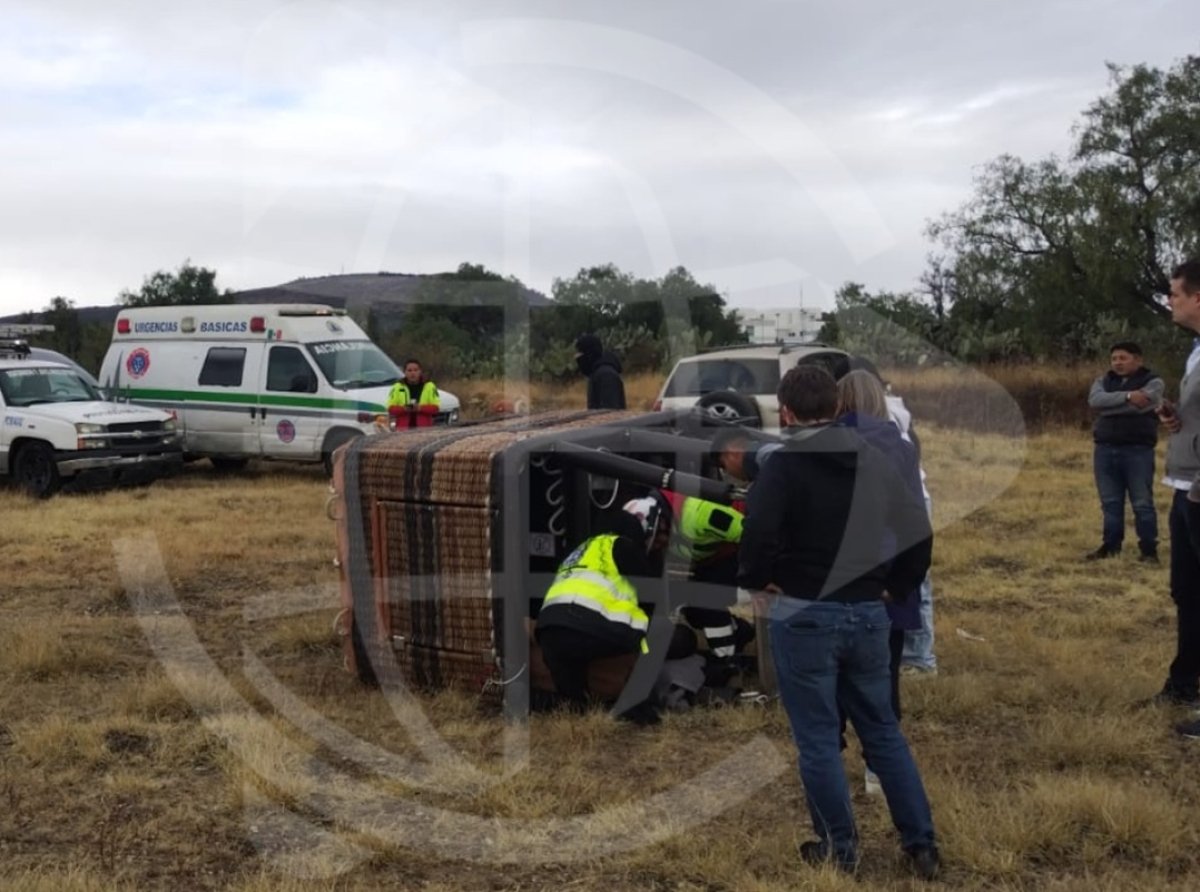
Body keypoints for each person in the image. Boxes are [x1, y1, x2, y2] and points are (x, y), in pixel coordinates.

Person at [738, 363, 938, 878]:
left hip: (804, 613)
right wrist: (901, 585)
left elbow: (757, 530)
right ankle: (921, 844)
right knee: (884, 732)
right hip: (870, 612)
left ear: (785, 412)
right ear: (836, 407)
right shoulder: (875, 458)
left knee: (819, 739)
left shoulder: (782, 467)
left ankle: (839, 849)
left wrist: (759, 579)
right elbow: (917, 526)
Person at [835, 369, 925, 794]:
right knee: (884, 673)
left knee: (829, 670)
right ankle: (878, 768)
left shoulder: (830, 440)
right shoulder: (902, 445)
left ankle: (829, 755)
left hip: (842, 570)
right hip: (890, 568)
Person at [535, 493, 671, 724]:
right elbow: (653, 598)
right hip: (595, 630)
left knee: (574, 697)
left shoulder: (577, 551)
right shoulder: (622, 545)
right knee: (656, 628)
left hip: (549, 632)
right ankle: (639, 704)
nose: (661, 542)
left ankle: (574, 704)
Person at [1152, 261, 1200, 735]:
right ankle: (1184, 682)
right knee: (1187, 592)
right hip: (1185, 487)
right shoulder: (1194, 352)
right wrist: (1174, 416)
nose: (1170, 301)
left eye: (1174, 293)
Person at [1086, 341, 1163, 562]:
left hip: (1137, 450)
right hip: (1105, 449)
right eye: (1114, 359)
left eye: (1123, 358)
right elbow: (1095, 401)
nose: (1117, 363)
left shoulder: (1153, 382)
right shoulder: (1103, 380)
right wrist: (1128, 397)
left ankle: (1149, 550)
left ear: (1138, 360)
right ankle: (1111, 546)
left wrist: (1110, 406)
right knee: (1110, 502)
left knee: (1142, 502)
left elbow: (1149, 404)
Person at [658, 489, 752, 662]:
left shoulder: (703, 514)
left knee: (708, 603)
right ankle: (739, 633)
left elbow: (752, 535)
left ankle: (726, 657)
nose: (659, 543)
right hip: (707, 563)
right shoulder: (662, 526)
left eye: (659, 536)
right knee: (695, 612)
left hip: (734, 554)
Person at [575, 333, 626, 409]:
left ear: (589, 354)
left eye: (580, 353)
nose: (576, 357)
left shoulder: (606, 376)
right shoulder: (597, 374)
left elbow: (610, 412)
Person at [387, 359, 440, 429]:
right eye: (409, 370)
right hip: (403, 430)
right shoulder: (397, 387)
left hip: (424, 429)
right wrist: (404, 409)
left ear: (420, 371)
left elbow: (436, 408)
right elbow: (391, 408)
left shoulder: (429, 386)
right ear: (404, 372)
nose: (413, 373)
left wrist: (420, 408)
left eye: (415, 370)